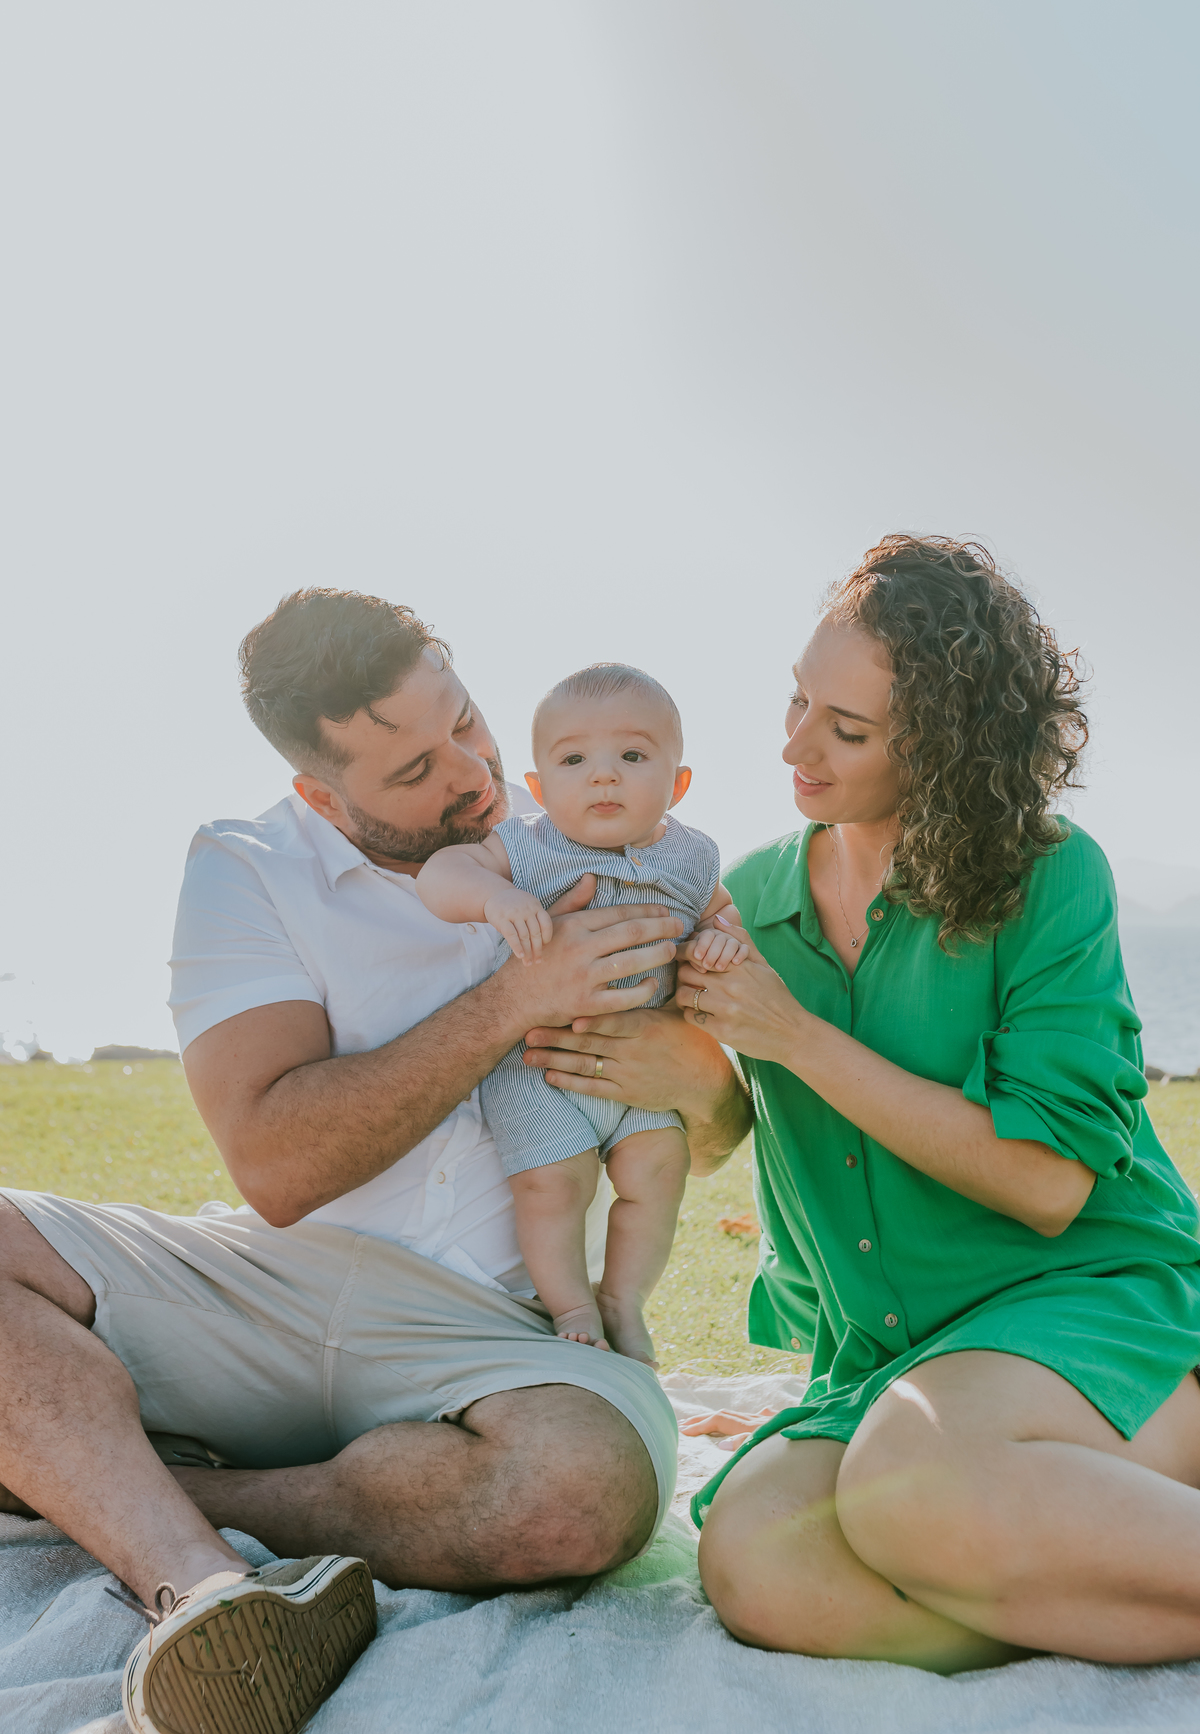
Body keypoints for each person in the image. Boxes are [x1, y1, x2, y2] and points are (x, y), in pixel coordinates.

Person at [0, 588, 751, 1734]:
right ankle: (200, 1589)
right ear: (320, 791)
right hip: (267, 1278)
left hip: (501, 1331)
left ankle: (106, 1484)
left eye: (464, 718)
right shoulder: (247, 865)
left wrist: (688, 1074)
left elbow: (715, 1133)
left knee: (577, 1495)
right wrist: (516, 1002)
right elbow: (277, 1162)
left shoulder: (604, 830)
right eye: (412, 772)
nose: (470, 771)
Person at [672, 535, 1200, 1673]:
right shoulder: (743, 902)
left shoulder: (1051, 874)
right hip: (886, 1355)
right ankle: (1076, 1577)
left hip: (1088, 1305)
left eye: (846, 731)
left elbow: (1049, 1183)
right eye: (799, 700)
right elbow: (715, 1123)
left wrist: (794, 1037)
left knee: (910, 1483)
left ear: (949, 752)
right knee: (760, 1558)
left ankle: (1033, 1535)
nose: (794, 746)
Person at [416, 661, 749, 1366]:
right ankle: (571, 1305)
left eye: (631, 756)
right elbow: (440, 876)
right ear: (537, 788)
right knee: (551, 1185)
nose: (603, 776)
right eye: (574, 760)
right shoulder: (529, 847)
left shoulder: (692, 858)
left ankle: (623, 1302)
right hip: (540, 1069)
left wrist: (725, 938)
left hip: (640, 1073)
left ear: (677, 783)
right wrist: (494, 897)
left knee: (659, 1174)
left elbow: (725, 914)